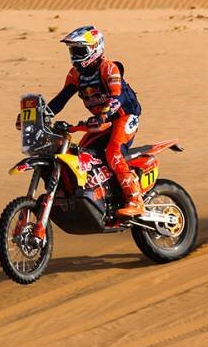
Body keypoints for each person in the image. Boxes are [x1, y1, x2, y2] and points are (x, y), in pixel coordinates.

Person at [47, 26, 144, 217]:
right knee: (81, 155)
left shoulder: (109, 68)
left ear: (95, 48)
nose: (75, 56)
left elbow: (117, 96)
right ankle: (99, 194)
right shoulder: (75, 74)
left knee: (114, 153)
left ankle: (135, 200)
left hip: (124, 117)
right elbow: (61, 99)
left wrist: (104, 114)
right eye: (73, 51)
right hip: (101, 122)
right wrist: (42, 114)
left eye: (80, 51)